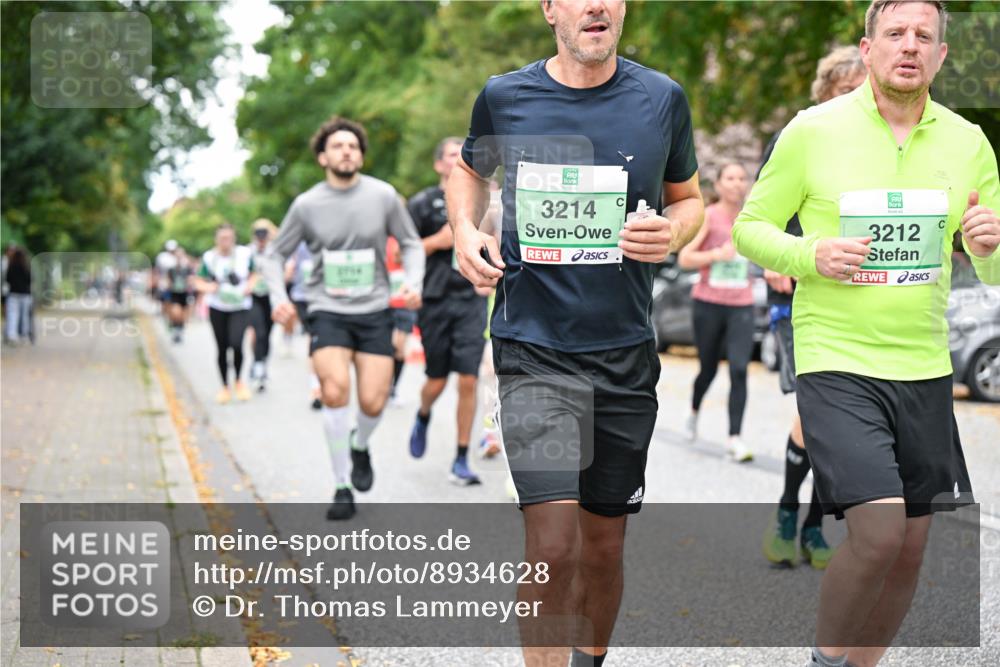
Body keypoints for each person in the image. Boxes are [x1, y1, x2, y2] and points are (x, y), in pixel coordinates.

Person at [732, 2, 998, 665]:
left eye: (924, 37)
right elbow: (750, 226)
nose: (909, 46)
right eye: (895, 34)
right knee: (878, 533)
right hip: (837, 359)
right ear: (868, 47)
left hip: (926, 366)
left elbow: (991, 260)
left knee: (910, 550)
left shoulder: (968, 142)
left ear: (940, 56)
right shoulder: (812, 131)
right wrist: (809, 255)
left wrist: (990, 244)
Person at [449, 1, 704, 664]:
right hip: (533, 345)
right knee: (552, 544)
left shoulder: (661, 99)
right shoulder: (505, 97)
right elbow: (470, 171)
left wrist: (672, 233)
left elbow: (689, 198)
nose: (597, 3)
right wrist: (464, 233)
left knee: (602, 547)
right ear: (550, 10)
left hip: (624, 352)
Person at [262, 115, 424, 521]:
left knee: (373, 401)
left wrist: (413, 282)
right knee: (334, 391)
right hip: (326, 309)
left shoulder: (383, 196)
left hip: (374, 310)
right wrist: (278, 298)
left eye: (353, 146)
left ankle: (360, 443)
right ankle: (341, 485)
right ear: (323, 157)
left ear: (361, 155)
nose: (346, 151)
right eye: (338, 146)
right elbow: (274, 254)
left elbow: (410, 243)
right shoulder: (307, 204)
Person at [761, 45, 867, 570]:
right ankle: (788, 515)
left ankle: (811, 524)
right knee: (817, 414)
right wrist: (775, 258)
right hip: (800, 294)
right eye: (846, 90)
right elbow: (763, 215)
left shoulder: (882, 145)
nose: (857, 99)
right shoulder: (799, 136)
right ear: (825, 92)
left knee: (841, 425)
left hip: (864, 302)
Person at [407, 137, 490, 485]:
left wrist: (489, 273)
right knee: (436, 380)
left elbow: (496, 240)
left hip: (471, 300)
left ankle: (461, 457)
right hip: (435, 300)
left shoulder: (484, 201)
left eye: (463, 156)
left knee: (469, 379)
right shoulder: (422, 203)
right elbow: (400, 253)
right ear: (439, 164)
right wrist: (436, 243)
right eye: (452, 156)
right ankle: (423, 413)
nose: (458, 161)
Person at [678, 162, 755, 462]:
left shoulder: (752, 219)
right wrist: (716, 255)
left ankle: (735, 438)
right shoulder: (709, 217)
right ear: (719, 185)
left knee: (739, 369)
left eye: (741, 178)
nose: (737, 183)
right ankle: (694, 410)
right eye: (730, 178)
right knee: (708, 368)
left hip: (742, 303)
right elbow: (685, 258)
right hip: (709, 303)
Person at [194, 223, 256, 404]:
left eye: (229, 238)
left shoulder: (245, 255)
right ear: (216, 239)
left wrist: (249, 287)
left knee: (236, 343)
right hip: (218, 307)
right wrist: (208, 287)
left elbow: (255, 274)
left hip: (240, 306)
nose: (226, 242)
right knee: (222, 347)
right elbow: (198, 280)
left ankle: (238, 381)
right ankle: (224, 387)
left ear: (234, 238)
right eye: (222, 238)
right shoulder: (209, 257)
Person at [248, 218, 278, 391]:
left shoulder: (275, 251)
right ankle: (258, 365)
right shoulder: (248, 252)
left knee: (267, 334)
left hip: (270, 298)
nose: (261, 236)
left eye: (264, 232)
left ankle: (262, 363)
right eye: (258, 232)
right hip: (254, 297)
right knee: (258, 332)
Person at [385, 233, 415, 408]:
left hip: (404, 301)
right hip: (385, 302)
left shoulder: (408, 239)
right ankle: (383, 387)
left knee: (399, 349)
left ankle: (393, 389)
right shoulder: (381, 238)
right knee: (387, 347)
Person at [165, 246, 194, 344]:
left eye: (180, 254)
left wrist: (189, 283)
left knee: (182, 315)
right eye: (177, 254)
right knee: (175, 312)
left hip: (185, 293)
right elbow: (168, 281)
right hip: (174, 294)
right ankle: (175, 329)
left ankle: (179, 331)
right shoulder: (171, 269)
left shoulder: (187, 268)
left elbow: (191, 279)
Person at [4, 246, 31, 344]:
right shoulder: (27, 267)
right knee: (24, 316)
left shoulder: (11, 266)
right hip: (25, 295)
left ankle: (12, 336)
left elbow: (7, 279)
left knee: (12, 315)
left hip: (13, 294)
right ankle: (24, 336)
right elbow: (30, 280)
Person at [154, 239, 179, 319]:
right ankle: (165, 316)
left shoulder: (177, 257)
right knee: (165, 301)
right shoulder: (162, 257)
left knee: (173, 302)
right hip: (164, 283)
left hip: (175, 284)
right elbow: (157, 270)